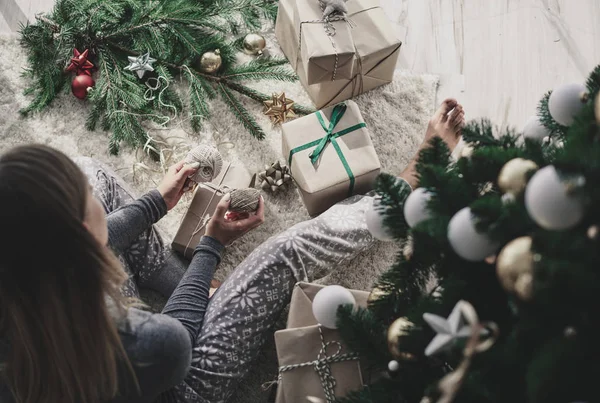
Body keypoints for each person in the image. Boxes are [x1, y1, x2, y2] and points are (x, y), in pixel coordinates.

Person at [0, 99, 464, 403]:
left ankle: (178, 278)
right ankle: (401, 194)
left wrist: (156, 203)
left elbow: (81, 239)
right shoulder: (135, 342)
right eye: (87, 214)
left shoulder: (21, 261)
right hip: (175, 381)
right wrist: (210, 247)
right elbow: (175, 334)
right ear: (82, 237)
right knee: (281, 253)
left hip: (93, 323)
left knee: (87, 171)